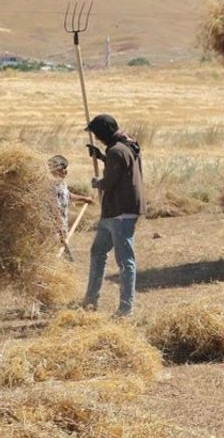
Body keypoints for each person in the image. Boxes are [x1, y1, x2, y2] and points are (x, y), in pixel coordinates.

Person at [82, 114, 144, 317]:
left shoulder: (118, 151)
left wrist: (96, 182)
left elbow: (109, 182)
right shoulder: (124, 146)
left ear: (104, 133)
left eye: (98, 135)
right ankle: (90, 302)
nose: (98, 138)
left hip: (120, 213)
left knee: (125, 261)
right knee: (97, 252)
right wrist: (101, 156)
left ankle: (126, 310)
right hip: (112, 212)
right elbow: (117, 167)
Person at [47, 154, 93, 259]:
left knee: (64, 256)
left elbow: (67, 195)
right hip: (53, 229)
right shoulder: (51, 186)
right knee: (60, 256)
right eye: (63, 169)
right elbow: (53, 207)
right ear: (55, 169)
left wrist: (84, 198)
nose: (66, 172)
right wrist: (59, 228)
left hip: (61, 226)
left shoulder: (61, 183)